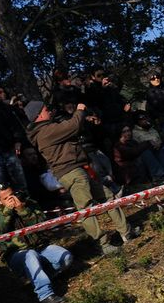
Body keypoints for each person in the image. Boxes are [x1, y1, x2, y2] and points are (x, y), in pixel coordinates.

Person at [26, 102, 137, 255]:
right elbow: (73, 126)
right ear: (38, 114)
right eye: (46, 110)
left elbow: (72, 128)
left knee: (108, 196)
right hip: (71, 172)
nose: (49, 111)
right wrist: (79, 111)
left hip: (79, 169)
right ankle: (103, 244)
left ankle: (126, 231)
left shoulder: (49, 129)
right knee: (86, 208)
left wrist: (84, 119)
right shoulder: (44, 132)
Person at [0, 183, 73, 303]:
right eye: (6, 198)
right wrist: (7, 212)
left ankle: (42, 277)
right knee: (30, 255)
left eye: (12, 195)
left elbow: (43, 222)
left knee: (66, 257)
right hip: (16, 254)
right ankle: (45, 294)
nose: (11, 199)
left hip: (41, 247)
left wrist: (23, 210)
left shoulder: (29, 203)